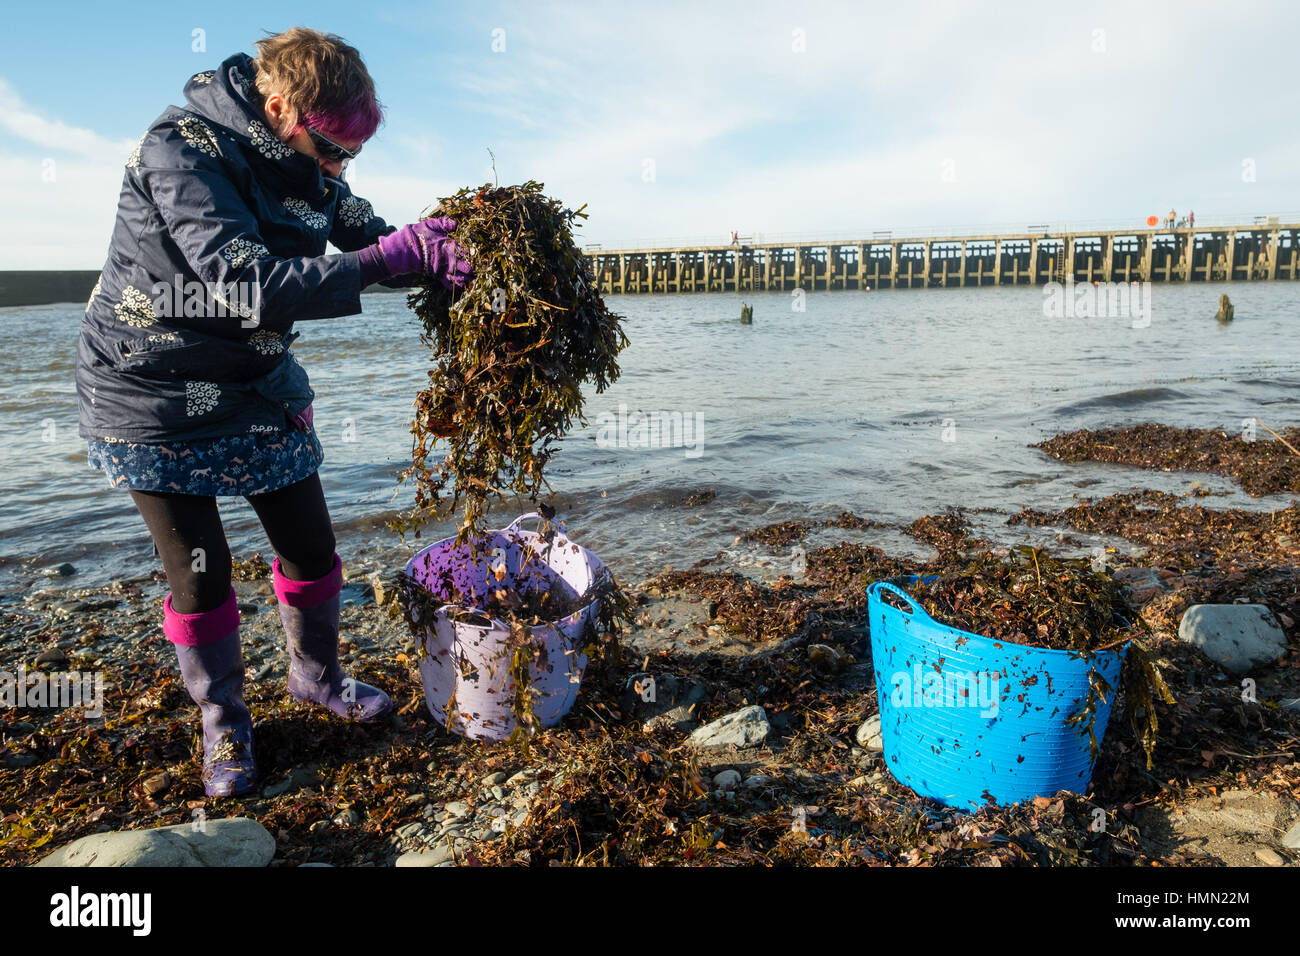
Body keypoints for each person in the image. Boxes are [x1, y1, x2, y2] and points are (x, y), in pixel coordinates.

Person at [75, 28, 473, 797]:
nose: (338, 168)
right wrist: (389, 260)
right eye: (331, 150)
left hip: (256, 377)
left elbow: (370, 239)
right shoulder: (179, 152)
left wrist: (436, 254)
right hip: (150, 387)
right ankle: (223, 724)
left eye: (352, 156)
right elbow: (244, 281)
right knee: (201, 573)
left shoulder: (318, 165)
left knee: (313, 548)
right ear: (281, 105)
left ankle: (316, 677)